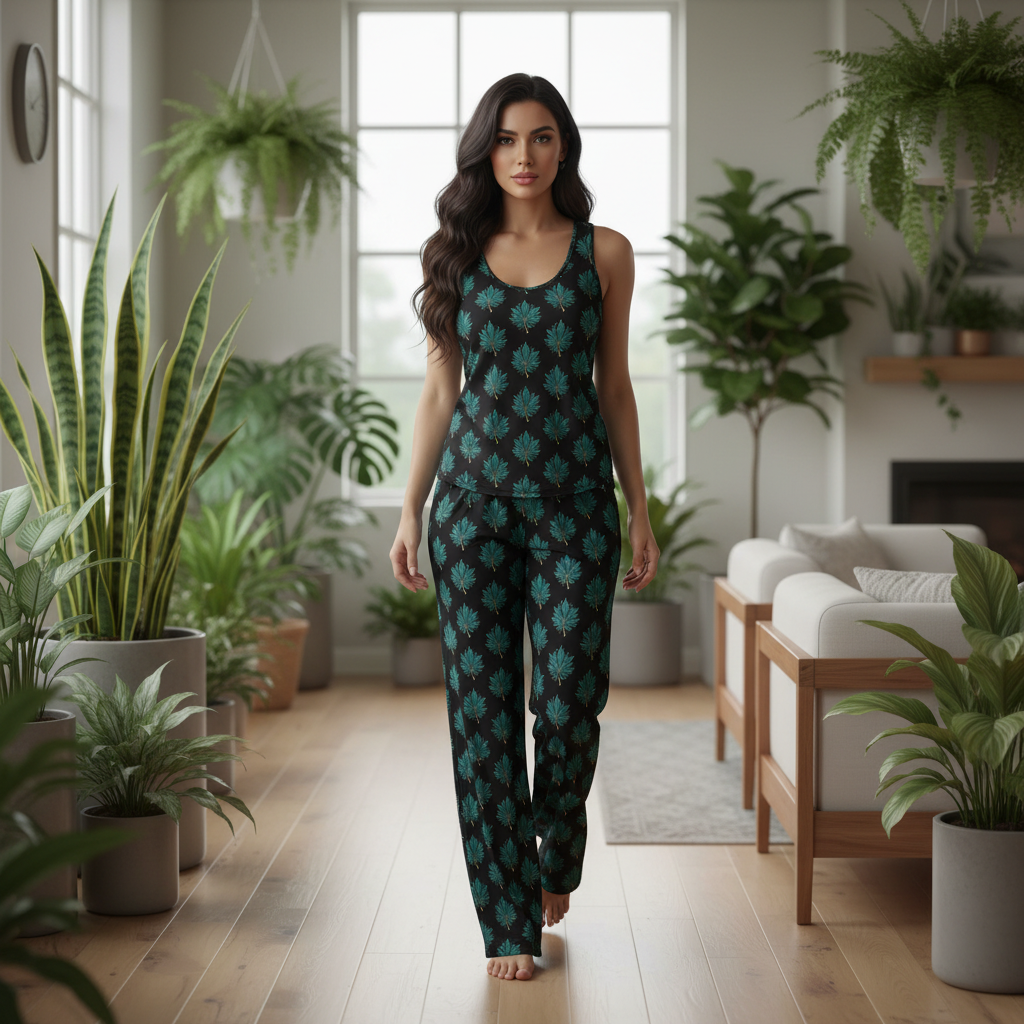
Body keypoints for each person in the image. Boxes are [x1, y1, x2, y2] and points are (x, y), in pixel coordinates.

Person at [390, 72, 658, 982]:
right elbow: (439, 392)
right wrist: (410, 507)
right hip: (469, 511)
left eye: (541, 138)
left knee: (571, 696)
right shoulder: (454, 254)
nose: (523, 156)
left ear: (564, 148)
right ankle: (508, 918)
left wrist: (639, 504)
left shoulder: (607, 253)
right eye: (506, 140)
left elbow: (614, 389)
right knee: (483, 714)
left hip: (578, 508)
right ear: (484, 151)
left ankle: (555, 849)